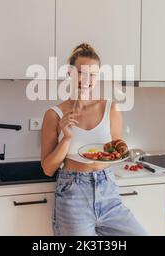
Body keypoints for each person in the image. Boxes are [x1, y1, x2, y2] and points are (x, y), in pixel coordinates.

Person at [40, 43, 147, 236]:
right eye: (81, 72)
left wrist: (120, 151)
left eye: (93, 74)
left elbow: (118, 147)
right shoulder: (54, 114)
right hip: (73, 194)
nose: (86, 80)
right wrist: (66, 138)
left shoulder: (110, 108)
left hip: (108, 191)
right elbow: (48, 168)